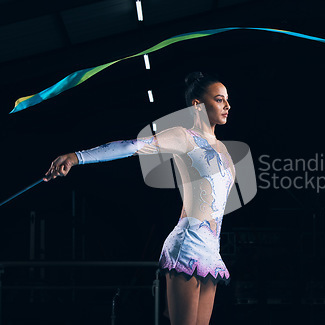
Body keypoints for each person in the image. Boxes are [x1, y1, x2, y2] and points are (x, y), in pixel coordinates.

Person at [43, 72, 234, 325]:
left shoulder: (224, 149)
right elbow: (130, 146)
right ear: (197, 105)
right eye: (220, 100)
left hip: (212, 251)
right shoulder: (184, 137)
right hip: (188, 245)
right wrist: (76, 157)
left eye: (227, 100)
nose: (227, 106)